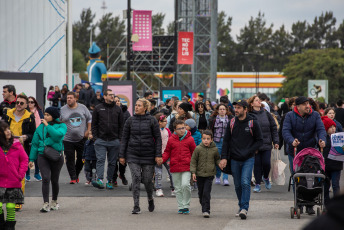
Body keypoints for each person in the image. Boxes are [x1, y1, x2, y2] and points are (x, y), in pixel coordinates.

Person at [282, 96, 327, 215]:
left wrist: (322, 140)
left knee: (311, 176)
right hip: (295, 151)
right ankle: (298, 202)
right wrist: (292, 141)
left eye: (308, 103)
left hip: (311, 152)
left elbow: (321, 129)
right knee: (296, 176)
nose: (308, 106)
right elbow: (285, 131)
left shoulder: (315, 115)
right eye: (305, 104)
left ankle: (310, 205)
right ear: (298, 106)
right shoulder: (290, 116)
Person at [219, 99, 263, 220]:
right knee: (237, 185)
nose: (236, 110)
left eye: (238, 108)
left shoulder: (252, 122)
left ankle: (244, 208)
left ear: (245, 109)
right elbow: (226, 141)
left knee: (245, 182)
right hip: (234, 159)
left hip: (248, 159)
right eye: (235, 108)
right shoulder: (232, 122)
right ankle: (241, 205)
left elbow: (260, 140)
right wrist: (223, 158)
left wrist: (250, 151)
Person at [119, 98, 162, 214]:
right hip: (133, 155)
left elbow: (158, 138)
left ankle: (150, 198)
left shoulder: (152, 120)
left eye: (139, 105)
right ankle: (136, 206)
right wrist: (122, 155)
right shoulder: (130, 120)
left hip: (148, 154)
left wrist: (158, 155)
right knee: (136, 178)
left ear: (145, 108)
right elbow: (124, 139)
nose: (136, 107)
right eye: (135, 105)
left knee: (147, 180)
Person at [29, 107, 67, 212]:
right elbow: (35, 144)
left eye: (47, 115)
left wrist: (47, 126)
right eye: (44, 114)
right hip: (42, 155)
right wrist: (31, 159)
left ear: (53, 116)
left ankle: (54, 202)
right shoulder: (40, 127)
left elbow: (58, 136)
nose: (44, 117)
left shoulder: (62, 125)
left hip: (56, 156)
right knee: (45, 178)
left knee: (54, 180)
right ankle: (45, 203)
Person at [3, 94, 36, 211]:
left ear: (26, 105)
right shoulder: (7, 114)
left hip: (20, 148)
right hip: (5, 147)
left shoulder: (30, 117)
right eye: (17, 102)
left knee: (19, 176)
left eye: (22, 103)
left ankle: (17, 200)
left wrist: (26, 137)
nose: (18, 105)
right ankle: (4, 197)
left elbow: (33, 134)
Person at [161, 120, 196, 214]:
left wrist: (195, 167)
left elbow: (194, 153)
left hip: (187, 166)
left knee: (185, 185)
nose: (182, 130)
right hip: (175, 166)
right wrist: (162, 159)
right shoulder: (171, 139)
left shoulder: (190, 139)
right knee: (178, 188)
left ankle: (186, 205)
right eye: (179, 129)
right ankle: (181, 206)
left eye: (183, 128)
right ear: (175, 130)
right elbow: (167, 152)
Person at [91, 89, 123, 189]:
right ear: (104, 96)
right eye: (109, 95)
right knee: (100, 160)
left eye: (113, 95)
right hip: (101, 139)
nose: (112, 97)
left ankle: (110, 181)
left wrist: (120, 139)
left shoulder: (118, 109)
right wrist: (95, 138)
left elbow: (122, 125)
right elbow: (94, 124)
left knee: (112, 162)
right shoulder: (98, 108)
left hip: (114, 140)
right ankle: (100, 180)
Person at [247, 96, 279, 192]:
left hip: (267, 143)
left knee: (266, 163)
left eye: (259, 100)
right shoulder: (249, 115)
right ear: (252, 104)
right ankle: (257, 184)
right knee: (257, 165)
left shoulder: (266, 113)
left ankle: (266, 177)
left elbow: (273, 128)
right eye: (257, 100)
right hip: (255, 144)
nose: (259, 101)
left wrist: (276, 141)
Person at [0, 121, 28, 229]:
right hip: (0, 181)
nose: (8, 132)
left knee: (11, 206)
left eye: (8, 129)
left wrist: (20, 175)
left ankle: (10, 226)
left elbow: (24, 160)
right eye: (4, 130)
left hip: (13, 180)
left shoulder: (16, 145)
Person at [60, 92, 92, 184]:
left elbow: (90, 118)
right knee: (69, 158)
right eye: (67, 98)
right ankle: (73, 177)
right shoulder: (62, 109)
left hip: (81, 138)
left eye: (70, 98)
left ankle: (76, 174)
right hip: (67, 139)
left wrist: (88, 130)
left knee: (81, 158)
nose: (68, 99)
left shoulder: (83, 108)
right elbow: (60, 121)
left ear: (75, 99)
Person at [190, 130, 220, 218]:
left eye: (208, 139)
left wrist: (220, 163)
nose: (206, 140)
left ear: (212, 139)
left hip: (209, 175)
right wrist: (193, 172)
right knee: (201, 193)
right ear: (201, 139)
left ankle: (206, 210)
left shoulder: (215, 149)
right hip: (199, 174)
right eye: (204, 139)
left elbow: (217, 159)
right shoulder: (198, 149)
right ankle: (203, 203)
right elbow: (193, 161)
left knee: (206, 192)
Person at [321, 116, 343, 209]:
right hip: (326, 166)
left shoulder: (339, 137)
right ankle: (326, 204)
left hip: (337, 165)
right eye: (330, 127)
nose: (333, 129)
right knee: (326, 186)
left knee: (335, 184)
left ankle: (337, 205)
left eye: (334, 127)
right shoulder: (323, 138)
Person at [208, 104, 232, 186]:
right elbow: (210, 130)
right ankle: (218, 176)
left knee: (225, 159)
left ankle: (225, 178)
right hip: (216, 141)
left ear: (226, 110)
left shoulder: (230, 119)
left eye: (223, 109)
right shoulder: (213, 120)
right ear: (217, 110)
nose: (222, 110)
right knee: (217, 160)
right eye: (220, 109)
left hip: (227, 141)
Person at [154, 113, 175, 197]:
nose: (166, 122)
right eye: (164, 121)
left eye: (166, 121)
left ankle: (174, 188)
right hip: (158, 155)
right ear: (159, 122)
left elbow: (170, 142)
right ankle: (158, 188)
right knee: (158, 173)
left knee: (172, 172)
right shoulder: (155, 131)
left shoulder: (168, 131)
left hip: (168, 155)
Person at [113, 96, 130, 186]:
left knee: (123, 160)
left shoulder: (126, 112)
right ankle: (114, 178)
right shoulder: (110, 112)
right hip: (113, 138)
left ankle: (122, 174)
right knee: (113, 160)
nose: (117, 102)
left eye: (118, 101)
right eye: (115, 101)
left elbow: (130, 125)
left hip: (123, 139)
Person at [27, 96, 44, 182]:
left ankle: (37, 173)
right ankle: (27, 174)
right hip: (28, 135)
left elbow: (42, 122)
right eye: (28, 102)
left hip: (37, 135)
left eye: (32, 102)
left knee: (37, 155)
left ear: (35, 103)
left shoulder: (39, 112)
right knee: (27, 155)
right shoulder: (25, 112)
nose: (30, 104)